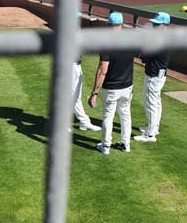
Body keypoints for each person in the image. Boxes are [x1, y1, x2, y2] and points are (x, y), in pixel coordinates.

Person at [88, 12, 134, 155]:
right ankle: (125, 144)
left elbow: (103, 70)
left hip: (112, 87)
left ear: (108, 25)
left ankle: (106, 146)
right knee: (125, 114)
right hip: (127, 86)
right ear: (121, 24)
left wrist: (94, 93)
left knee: (108, 116)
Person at [134, 12, 171, 143]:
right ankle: (154, 128)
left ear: (165, 24)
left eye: (157, 24)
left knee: (151, 103)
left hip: (154, 74)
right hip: (160, 73)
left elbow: (145, 57)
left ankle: (150, 134)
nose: (154, 26)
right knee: (156, 102)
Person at [73, 14, 101, 133]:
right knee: (72, 95)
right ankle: (84, 121)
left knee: (76, 95)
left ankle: (83, 123)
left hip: (76, 65)